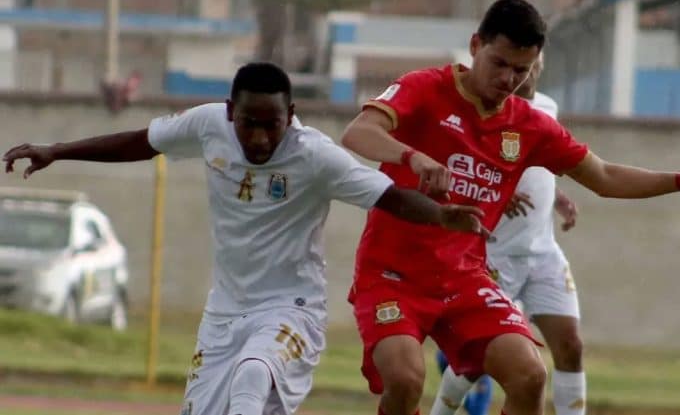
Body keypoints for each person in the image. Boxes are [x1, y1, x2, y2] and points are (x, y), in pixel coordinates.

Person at [2, 62, 490, 415]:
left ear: (290, 115)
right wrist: (57, 151)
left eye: (271, 125)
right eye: (248, 124)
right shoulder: (207, 125)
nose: (258, 138)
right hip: (224, 314)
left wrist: (443, 216)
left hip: (291, 309)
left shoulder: (314, 156)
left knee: (254, 374)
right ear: (231, 111)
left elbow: (388, 196)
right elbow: (139, 142)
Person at [340, 0, 680, 415]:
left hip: (463, 278)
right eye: (499, 63)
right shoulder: (425, 87)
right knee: (405, 380)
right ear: (476, 46)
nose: (509, 79)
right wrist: (413, 157)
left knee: (530, 375)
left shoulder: (530, 125)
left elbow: (604, 176)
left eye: (521, 69)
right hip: (392, 274)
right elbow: (358, 132)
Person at [430, 53, 587, 415]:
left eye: (535, 67)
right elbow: (461, 161)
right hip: (495, 254)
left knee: (571, 346)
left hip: (543, 251)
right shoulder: (484, 109)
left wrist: (556, 197)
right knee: (476, 360)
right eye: (521, 66)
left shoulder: (547, 107)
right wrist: (500, 186)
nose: (529, 74)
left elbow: (543, 159)